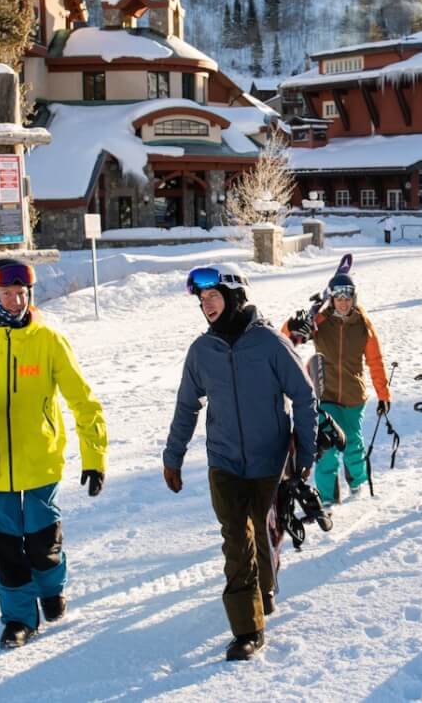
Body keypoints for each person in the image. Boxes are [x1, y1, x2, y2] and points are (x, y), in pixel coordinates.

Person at [0, 258, 108, 649]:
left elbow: (84, 402)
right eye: (7, 294)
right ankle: (18, 618)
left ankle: (51, 589)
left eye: (21, 293)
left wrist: (94, 458)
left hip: (40, 462)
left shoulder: (48, 341)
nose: (16, 301)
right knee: (5, 551)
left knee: (42, 545)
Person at [163, 263, 316, 661]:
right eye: (202, 299)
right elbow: (186, 406)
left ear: (234, 297)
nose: (207, 305)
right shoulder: (202, 352)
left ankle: (266, 588)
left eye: (214, 296)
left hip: (270, 460)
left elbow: (303, 396)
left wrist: (305, 450)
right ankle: (247, 630)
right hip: (224, 461)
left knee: (263, 532)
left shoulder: (269, 343)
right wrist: (173, 456)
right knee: (236, 540)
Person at [283, 273, 391, 502]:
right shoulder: (320, 321)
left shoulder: (363, 324)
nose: (343, 302)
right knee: (326, 447)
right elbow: (287, 341)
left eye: (348, 297)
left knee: (352, 443)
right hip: (325, 393)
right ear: (331, 299)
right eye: (339, 297)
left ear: (354, 298)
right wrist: (293, 324)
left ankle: (357, 483)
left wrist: (383, 394)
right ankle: (327, 497)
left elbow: (375, 361)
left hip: (353, 396)